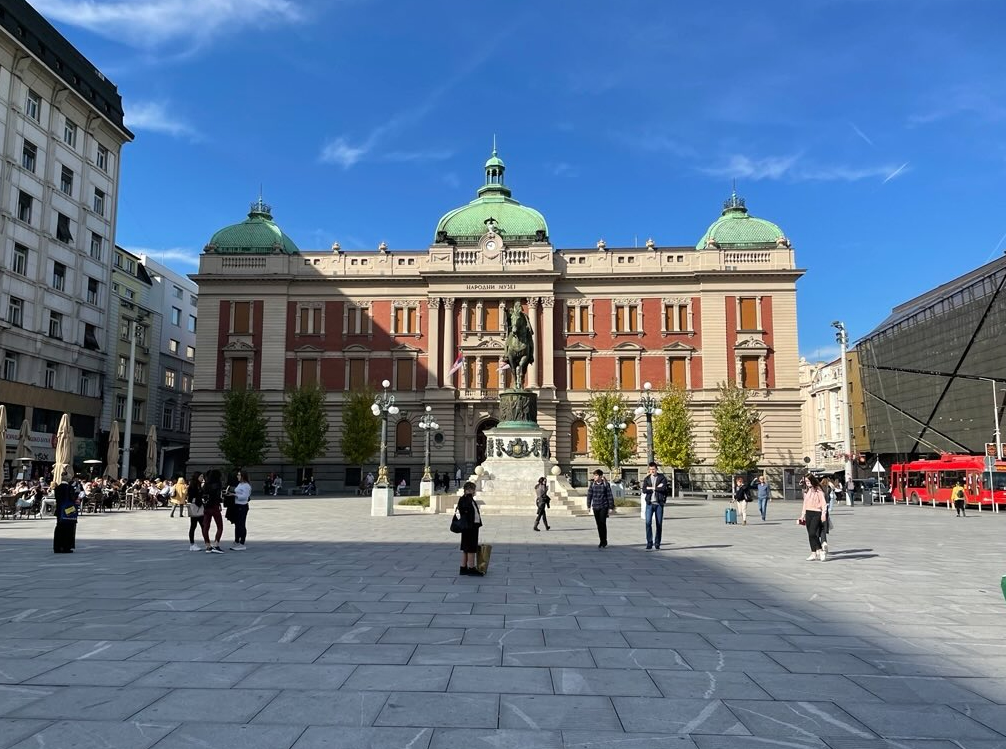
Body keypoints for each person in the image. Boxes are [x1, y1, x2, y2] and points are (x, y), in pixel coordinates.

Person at [455, 481, 483, 576]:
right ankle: (471, 568)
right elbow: (466, 511)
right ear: (469, 490)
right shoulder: (466, 499)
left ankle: (463, 567)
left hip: (470, 526)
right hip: (469, 527)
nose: (474, 491)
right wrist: (469, 495)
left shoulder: (468, 499)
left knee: (466, 548)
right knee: (471, 548)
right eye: (473, 489)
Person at [799, 473, 829, 561]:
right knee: (810, 534)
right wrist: (802, 515)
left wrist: (823, 514)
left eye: (808, 481)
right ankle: (814, 553)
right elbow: (805, 503)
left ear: (812, 481)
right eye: (806, 481)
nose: (807, 483)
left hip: (817, 513)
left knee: (813, 533)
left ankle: (819, 550)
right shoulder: (808, 491)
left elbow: (824, 504)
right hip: (808, 513)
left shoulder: (819, 491)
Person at [640, 462, 668, 550]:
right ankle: (649, 542)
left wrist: (651, 488)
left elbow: (663, 488)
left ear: (656, 469)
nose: (652, 471)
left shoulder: (662, 478)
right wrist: (656, 488)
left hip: (659, 504)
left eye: (653, 469)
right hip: (649, 504)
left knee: (659, 524)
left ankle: (657, 543)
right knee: (648, 523)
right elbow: (644, 490)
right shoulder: (647, 479)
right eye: (650, 469)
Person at [586, 469, 614, 548]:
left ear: (601, 476)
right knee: (598, 524)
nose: (595, 477)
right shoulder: (592, 484)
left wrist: (611, 507)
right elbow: (589, 495)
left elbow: (609, 495)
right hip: (595, 506)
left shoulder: (605, 484)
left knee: (602, 523)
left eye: (596, 475)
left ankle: (604, 541)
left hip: (603, 506)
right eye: (594, 475)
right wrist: (588, 506)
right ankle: (601, 540)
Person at [53, 470, 78, 553]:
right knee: (68, 528)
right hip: (68, 510)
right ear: (68, 479)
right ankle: (66, 547)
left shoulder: (57, 488)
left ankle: (57, 547)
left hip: (59, 510)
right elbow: (73, 498)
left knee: (59, 528)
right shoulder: (69, 488)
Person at [201, 469, 225, 554]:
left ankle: (207, 545)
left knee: (206, 527)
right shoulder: (218, 485)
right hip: (215, 506)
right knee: (220, 526)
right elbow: (218, 497)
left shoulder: (205, 485)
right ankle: (216, 544)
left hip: (207, 507)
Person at [230, 470, 252, 550]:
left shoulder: (246, 486)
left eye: (239, 475)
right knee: (237, 524)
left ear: (243, 476)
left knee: (241, 524)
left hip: (242, 506)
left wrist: (234, 495)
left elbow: (245, 497)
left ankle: (242, 542)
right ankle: (237, 541)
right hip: (237, 505)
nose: (237, 476)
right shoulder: (240, 484)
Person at [186, 471, 204, 551]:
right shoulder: (193, 485)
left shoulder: (199, 485)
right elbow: (190, 497)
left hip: (199, 506)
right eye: (201, 476)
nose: (202, 478)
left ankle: (207, 542)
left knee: (203, 525)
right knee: (193, 526)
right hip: (195, 506)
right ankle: (192, 544)